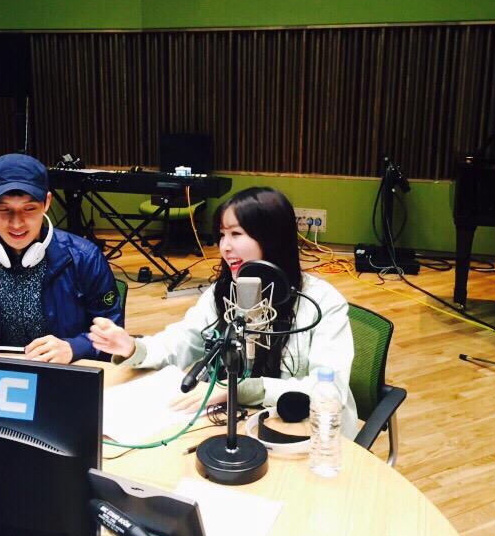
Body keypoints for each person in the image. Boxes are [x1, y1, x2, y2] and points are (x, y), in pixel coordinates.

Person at [89, 187, 359, 438]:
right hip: (238, 423)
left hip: (310, 436)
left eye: (236, 234)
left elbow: (329, 391)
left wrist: (237, 389)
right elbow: (183, 340)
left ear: (272, 238)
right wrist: (133, 348)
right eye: (222, 235)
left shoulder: (323, 302)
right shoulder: (222, 292)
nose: (224, 246)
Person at [0, 153, 123, 363]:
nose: (16, 224)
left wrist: (73, 348)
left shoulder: (85, 258)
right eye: (3, 209)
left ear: (47, 202)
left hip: (64, 373)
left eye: (29, 209)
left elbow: (114, 337)